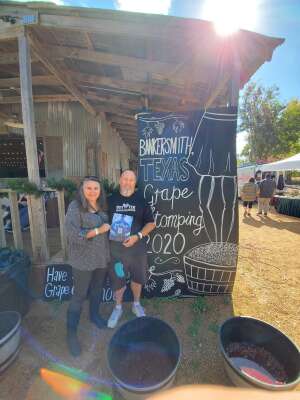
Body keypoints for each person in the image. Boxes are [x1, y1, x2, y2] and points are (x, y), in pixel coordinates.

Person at [64, 176, 111, 356]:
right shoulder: (75, 207)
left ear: (100, 191)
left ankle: (94, 315)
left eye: (96, 188)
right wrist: (98, 230)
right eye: (89, 188)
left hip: (101, 258)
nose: (92, 191)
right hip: (83, 259)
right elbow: (73, 235)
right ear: (82, 190)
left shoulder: (102, 206)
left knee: (97, 289)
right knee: (79, 295)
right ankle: (71, 335)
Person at [107, 170, 156, 328]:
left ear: (134, 183)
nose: (128, 182)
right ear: (120, 180)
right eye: (125, 179)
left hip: (137, 252)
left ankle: (136, 304)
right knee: (118, 280)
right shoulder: (110, 200)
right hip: (117, 253)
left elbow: (151, 223)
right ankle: (118, 308)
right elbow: (103, 223)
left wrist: (138, 236)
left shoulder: (141, 200)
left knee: (137, 278)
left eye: (131, 180)